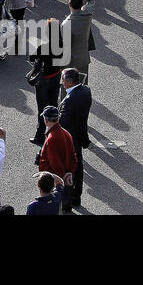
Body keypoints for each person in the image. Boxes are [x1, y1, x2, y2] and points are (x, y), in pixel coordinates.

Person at [58, 68, 92, 211]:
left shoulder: (70, 100)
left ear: (70, 83)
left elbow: (63, 122)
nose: (62, 82)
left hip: (70, 138)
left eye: (63, 80)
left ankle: (68, 201)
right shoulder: (86, 91)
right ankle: (76, 196)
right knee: (78, 167)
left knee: (69, 170)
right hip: (79, 133)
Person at [29, 21, 64, 145]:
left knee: (42, 109)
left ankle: (40, 136)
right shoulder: (63, 45)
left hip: (44, 79)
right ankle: (54, 133)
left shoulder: (44, 47)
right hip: (57, 76)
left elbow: (32, 57)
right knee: (54, 105)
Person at [35, 106, 76, 197]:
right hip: (64, 175)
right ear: (58, 118)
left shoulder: (51, 138)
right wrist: (69, 173)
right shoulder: (66, 133)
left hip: (51, 179)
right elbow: (73, 156)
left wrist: (61, 179)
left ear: (46, 120)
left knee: (50, 205)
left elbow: (55, 162)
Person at [62, 0, 95, 80]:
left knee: (69, 88)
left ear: (69, 4)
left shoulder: (66, 24)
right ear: (82, 4)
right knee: (83, 84)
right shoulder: (87, 14)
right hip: (83, 59)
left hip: (71, 63)